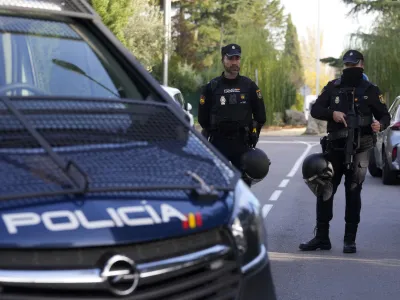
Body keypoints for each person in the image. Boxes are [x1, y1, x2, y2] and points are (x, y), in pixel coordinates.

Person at [299, 49, 391, 253]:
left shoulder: (371, 90)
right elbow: (315, 110)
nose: (350, 69)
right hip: (335, 148)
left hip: (361, 147)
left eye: (354, 65)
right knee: (325, 191)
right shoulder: (333, 87)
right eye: (347, 65)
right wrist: (333, 114)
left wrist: (380, 125)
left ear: (362, 65)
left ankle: (350, 239)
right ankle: (322, 238)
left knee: (353, 191)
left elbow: (385, 116)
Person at [197, 43, 267, 186]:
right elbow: (202, 118)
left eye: (237, 58)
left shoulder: (249, 86)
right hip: (218, 143)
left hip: (241, 143)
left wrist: (254, 134)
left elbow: (260, 117)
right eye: (230, 59)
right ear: (223, 59)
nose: (234, 62)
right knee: (215, 186)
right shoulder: (212, 87)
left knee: (242, 188)